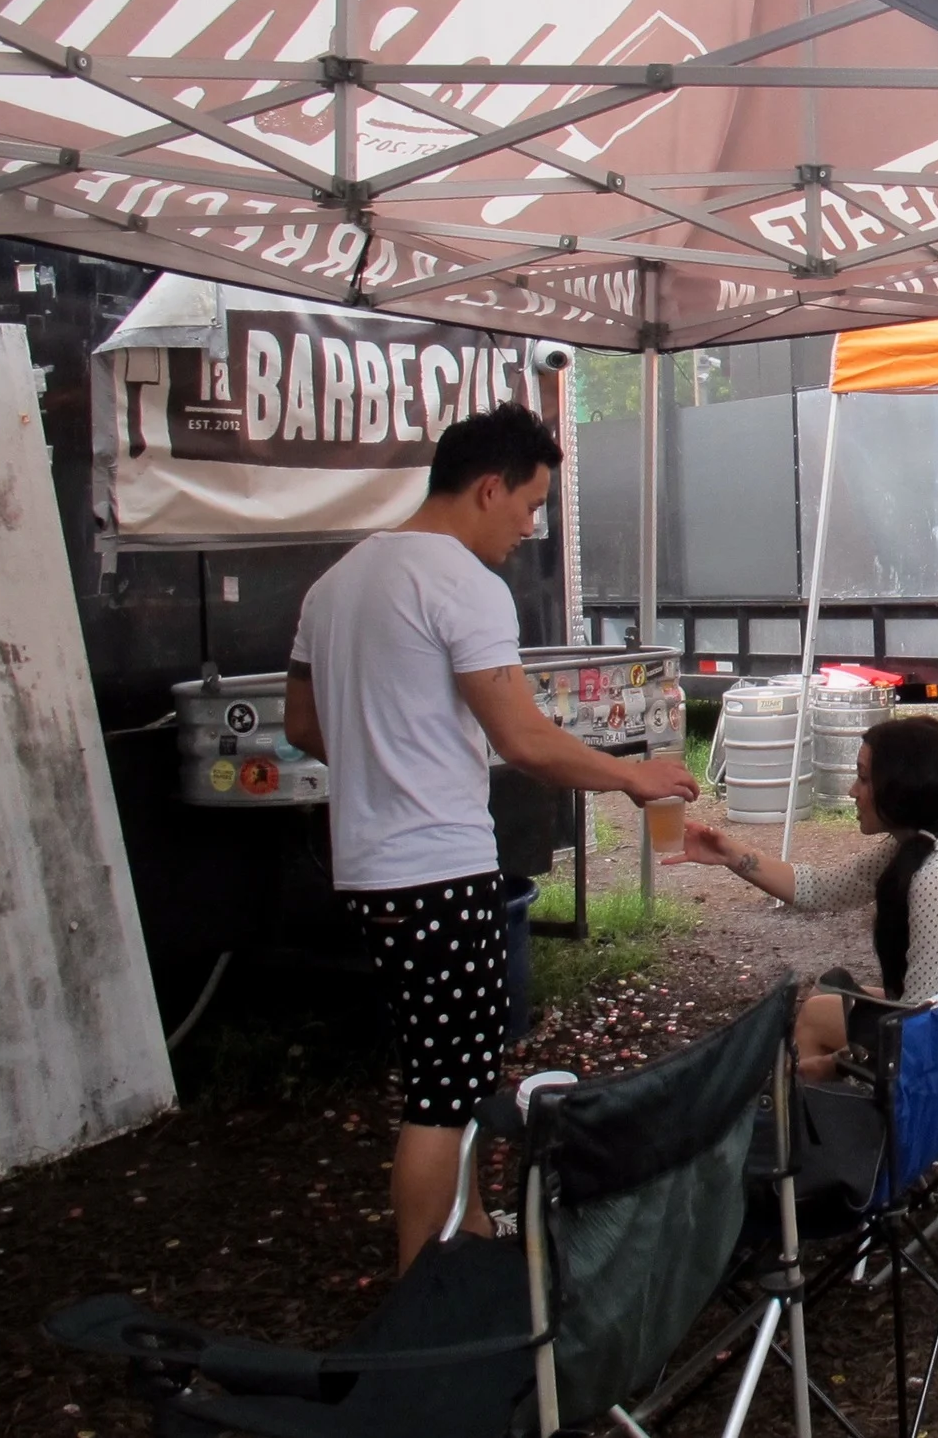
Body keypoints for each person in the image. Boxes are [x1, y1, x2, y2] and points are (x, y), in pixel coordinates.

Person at [284, 404, 701, 1274]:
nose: (530, 527)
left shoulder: (335, 584)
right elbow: (524, 738)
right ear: (487, 488)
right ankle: (424, 1288)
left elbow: (302, 724)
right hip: (437, 870)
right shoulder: (462, 584)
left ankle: (469, 1233)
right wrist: (631, 776)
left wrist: (384, 753)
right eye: (530, 504)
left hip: (369, 869)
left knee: (455, 1070)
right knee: (443, 1095)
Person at [680, 717, 938, 1096]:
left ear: (901, 787)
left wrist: (831, 1065)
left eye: (863, 778)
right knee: (826, 996)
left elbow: (917, 1027)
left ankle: (819, 1124)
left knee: (815, 1017)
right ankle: (821, 1118)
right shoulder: (933, 839)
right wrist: (728, 854)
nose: (852, 791)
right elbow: (820, 888)